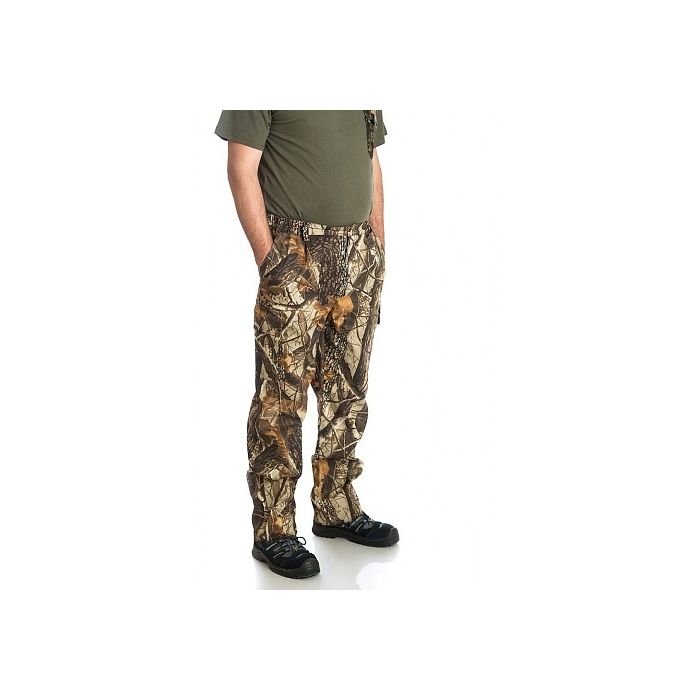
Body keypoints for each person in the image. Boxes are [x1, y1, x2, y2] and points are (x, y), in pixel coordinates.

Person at [215, 110, 399, 579]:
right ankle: (274, 530)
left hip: (358, 252)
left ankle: (336, 505)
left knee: (348, 390)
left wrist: (377, 247)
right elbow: (241, 166)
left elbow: (371, 160)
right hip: (295, 249)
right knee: (281, 396)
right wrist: (272, 261)